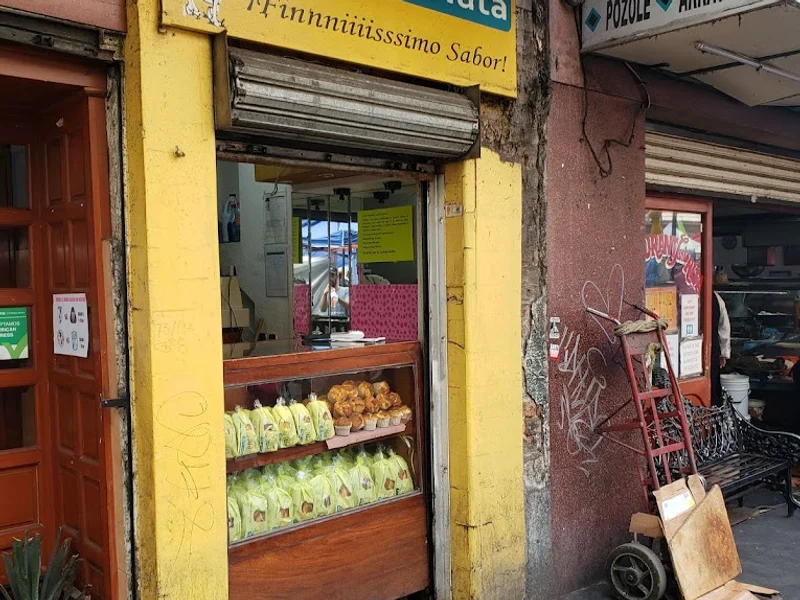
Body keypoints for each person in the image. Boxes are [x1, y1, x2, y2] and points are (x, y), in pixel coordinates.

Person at [712, 290, 731, 406]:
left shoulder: (715, 298)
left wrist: (724, 352)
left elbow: (724, 327)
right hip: (711, 349)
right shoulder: (715, 297)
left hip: (711, 350)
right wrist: (724, 353)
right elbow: (724, 327)